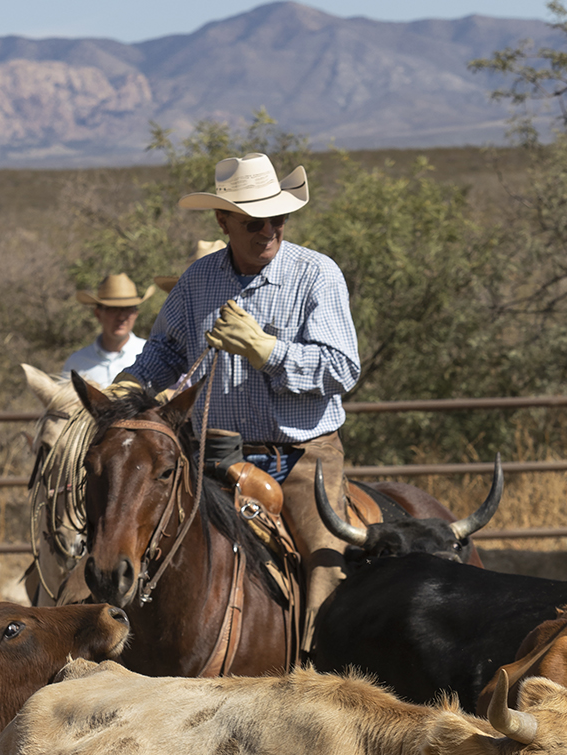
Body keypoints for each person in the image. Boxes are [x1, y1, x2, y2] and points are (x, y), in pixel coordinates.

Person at [108, 153, 360, 649]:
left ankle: (321, 670)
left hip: (304, 459)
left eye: (278, 219)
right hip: (213, 456)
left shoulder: (316, 275)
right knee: (123, 533)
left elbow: (343, 370)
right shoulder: (198, 280)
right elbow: (165, 352)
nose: (268, 230)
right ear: (223, 220)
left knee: (325, 566)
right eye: (253, 222)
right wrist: (128, 387)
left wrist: (268, 351)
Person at [62, 273, 148, 386]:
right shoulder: (76, 363)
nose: (121, 317)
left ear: (135, 314)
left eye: (127, 309)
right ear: (98, 314)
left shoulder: (150, 354)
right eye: (113, 309)